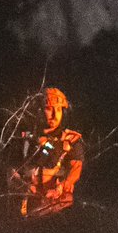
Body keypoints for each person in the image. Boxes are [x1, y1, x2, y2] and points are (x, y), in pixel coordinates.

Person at [9, 87, 85, 217]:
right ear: (39, 110)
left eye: (59, 109)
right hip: (26, 205)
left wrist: (62, 186)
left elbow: (75, 170)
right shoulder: (24, 139)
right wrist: (23, 187)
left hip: (57, 207)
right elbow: (10, 169)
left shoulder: (70, 140)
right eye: (49, 108)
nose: (55, 114)